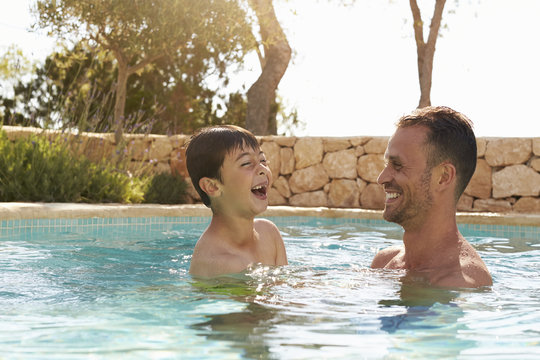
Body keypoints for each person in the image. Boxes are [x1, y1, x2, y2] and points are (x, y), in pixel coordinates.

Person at [371, 106, 492, 288]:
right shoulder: (384, 262)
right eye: (387, 163)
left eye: (397, 165)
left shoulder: (457, 284)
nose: (382, 178)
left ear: (443, 177)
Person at [185, 125, 288, 277]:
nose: (262, 169)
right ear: (212, 186)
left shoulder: (269, 234)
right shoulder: (221, 263)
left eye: (263, 160)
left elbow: (283, 290)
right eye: (247, 163)